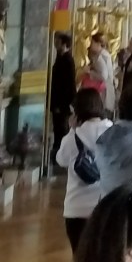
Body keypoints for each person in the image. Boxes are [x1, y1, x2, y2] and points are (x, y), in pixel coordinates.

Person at [55, 87, 113, 252]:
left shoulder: (74, 136)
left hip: (76, 208)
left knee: (80, 257)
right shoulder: (113, 131)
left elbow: (61, 160)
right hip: (105, 207)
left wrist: (71, 130)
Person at [51, 32, 76, 163]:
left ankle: (61, 155)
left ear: (64, 44)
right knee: (57, 129)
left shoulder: (67, 60)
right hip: (58, 101)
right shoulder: (60, 58)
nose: (55, 44)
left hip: (62, 103)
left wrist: (61, 104)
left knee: (61, 129)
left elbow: (67, 85)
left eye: (58, 42)